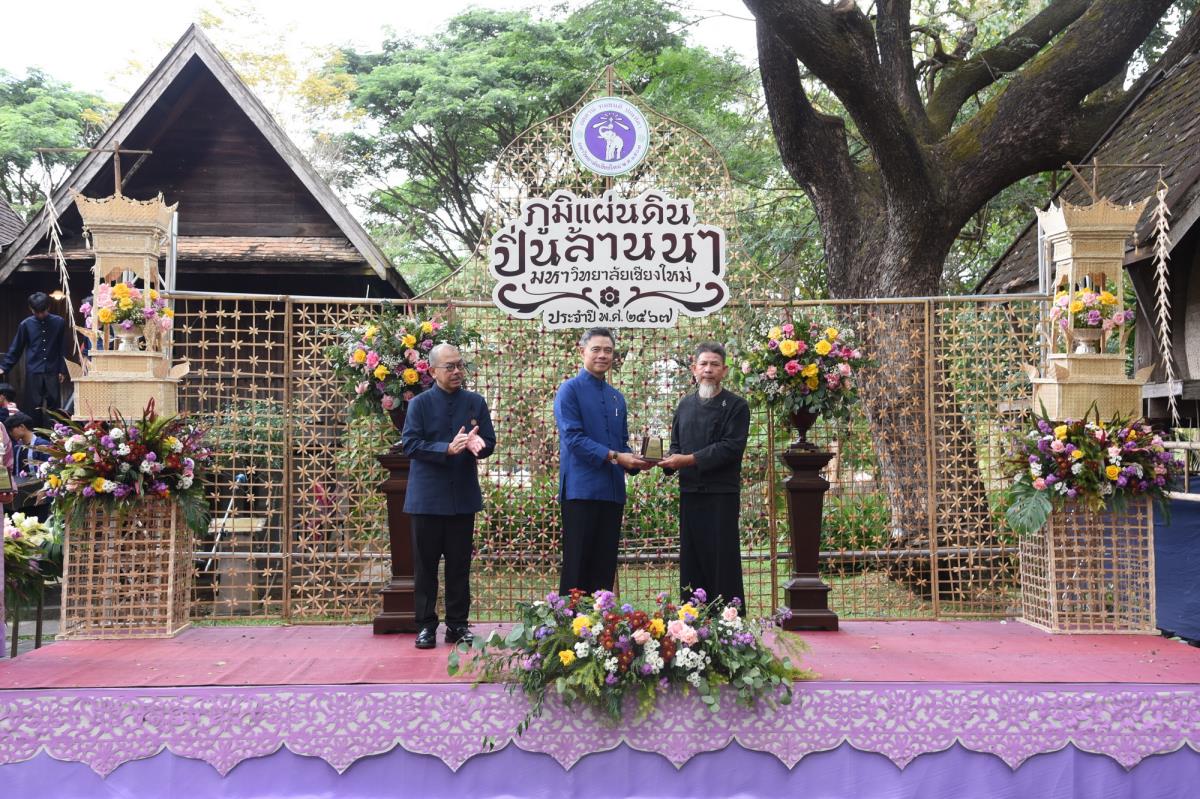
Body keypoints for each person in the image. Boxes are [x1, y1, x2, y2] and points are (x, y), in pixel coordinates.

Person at [401, 343, 496, 649]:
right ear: (432, 371)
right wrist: (447, 448)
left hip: (461, 498)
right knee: (425, 568)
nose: (457, 371)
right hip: (427, 499)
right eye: (449, 367)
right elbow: (410, 444)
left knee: (459, 567)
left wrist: (479, 445)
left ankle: (457, 625)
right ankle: (426, 626)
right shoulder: (419, 404)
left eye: (460, 365)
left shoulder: (475, 402)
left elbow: (490, 441)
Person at [554, 327, 648, 595]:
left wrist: (637, 461)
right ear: (581, 351)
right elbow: (573, 439)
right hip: (581, 491)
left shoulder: (617, 397)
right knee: (577, 567)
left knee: (604, 567)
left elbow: (621, 442)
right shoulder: (569, 390)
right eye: (596, 349)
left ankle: (601, 619)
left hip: (612, 491)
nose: (603, 355)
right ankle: (570, 621)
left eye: (608, 350)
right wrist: (616, 456)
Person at [657, 342, 750, 609]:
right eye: (703, 364)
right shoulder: (684, 405)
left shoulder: (737, 406)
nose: (708, 369)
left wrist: (686, 460)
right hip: (690, 493)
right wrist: (663, 461)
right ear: (694, 369)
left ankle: (729, 620)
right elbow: (676, 446)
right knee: (692, 559)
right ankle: (691, 619)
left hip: (721, 494)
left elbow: (730, 448)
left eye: (714, 365)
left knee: (722, 559)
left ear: (724, 370)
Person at [0, 292, 70, 429]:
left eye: (43, 311)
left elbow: (62, 347)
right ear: (31, 309)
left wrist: (62, 369)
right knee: (32, 407)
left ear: (48, 307)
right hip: (34, 370)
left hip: (53, 370)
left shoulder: (59, 322)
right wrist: (4, 367)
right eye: (37, 312)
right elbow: (16, 347)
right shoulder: (26, 324)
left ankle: (55, 436)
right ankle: (34, 436)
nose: (40, 315)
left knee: (54, 408)